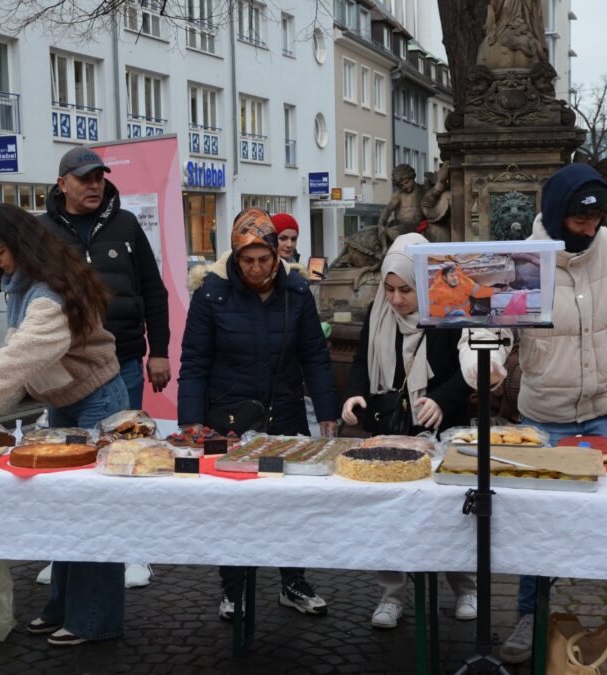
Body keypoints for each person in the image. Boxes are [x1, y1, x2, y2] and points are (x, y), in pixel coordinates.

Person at [459, 163, 607, 664]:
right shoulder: (521, 258)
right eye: (579, 220)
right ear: (555, 214)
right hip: (545, 411)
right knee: (536, 521)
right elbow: (494, 322)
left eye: (596, 218)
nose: (590, 228)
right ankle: (531, 613)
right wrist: (483, 366)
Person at [0, 204, 128, 647]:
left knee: (92, 513)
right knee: (67, 511)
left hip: (97, 402)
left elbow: (20, 357)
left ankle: (94, 619)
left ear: (24, 248)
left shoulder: (50, 294)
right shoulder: (22, 284)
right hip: (66, 403)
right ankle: (63, 608)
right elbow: (24, 364)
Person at [178, 206, 338, 620]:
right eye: (246, 260)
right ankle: (234, 587)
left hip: (284, 411)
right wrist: (191, 422)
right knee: (235, 505)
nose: (255, 267)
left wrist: (327, 413)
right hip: (229, 415)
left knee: (291, 501)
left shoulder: (296, 291)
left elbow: (315, 358)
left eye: (264, 258)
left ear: (275, 253)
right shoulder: (211, 293)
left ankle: (293, 581)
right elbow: (194, 361)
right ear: (234, 255)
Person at [38, 145, 167, 588]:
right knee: (69, 461)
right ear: (63, 184)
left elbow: (153, 290)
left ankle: (132, 551)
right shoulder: (43, 233)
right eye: (84, 178)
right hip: (65, 367)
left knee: (124, 458)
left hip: (125, 360)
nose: (94, 185)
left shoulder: (127, 225)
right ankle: (67, 555)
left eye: (98, 177)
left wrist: (161, 350)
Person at [339, 233, 478, 630]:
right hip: (389, 428)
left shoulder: (449, 310)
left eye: (406, 290)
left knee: (450, 513)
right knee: (388, 513)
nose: (396, 299)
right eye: (390, 289)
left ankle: (465, 588)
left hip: (439, 427)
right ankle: (391, 595)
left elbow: (466, 372)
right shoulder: (379, 312)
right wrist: (352, 397)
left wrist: (442, 400)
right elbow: (361, 364)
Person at [427, 263, 495, 318]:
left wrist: (497, 290)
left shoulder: (463, 281)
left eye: (456, 275)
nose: (455, 278)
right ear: (444, 277)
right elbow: (427, 309)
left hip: (464, 318)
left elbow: (479, 291)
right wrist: (447, 309)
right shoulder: (435, 290)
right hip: (443, 320)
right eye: (451, 276)